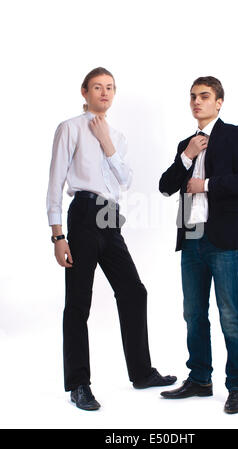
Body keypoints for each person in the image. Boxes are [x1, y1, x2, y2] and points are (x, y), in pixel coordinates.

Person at [46, 67, 176, 411]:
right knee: (78, 301)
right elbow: (55, 183)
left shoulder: (117, 135)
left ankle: (142, 372)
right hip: (84, 214)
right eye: (98, 87)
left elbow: (125, 179)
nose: (105, 93)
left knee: (134, 291)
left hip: (111, 217)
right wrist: (58, 235)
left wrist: (106, 143)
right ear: (84, 92)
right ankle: (78, 384)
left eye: (110, 88)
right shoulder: (69, 128)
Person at [158, 76, 238, 414]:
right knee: (193, 313)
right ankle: (200, 378)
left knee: (230, 314)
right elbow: (165, 186)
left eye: (204, 96)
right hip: (190, 238)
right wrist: (186, 156)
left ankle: (237, 387)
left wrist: (208, 184)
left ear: (218, 102)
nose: (196, 102)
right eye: (192, 97)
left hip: (224, 238)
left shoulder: (235, 134)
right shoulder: (185, 143)